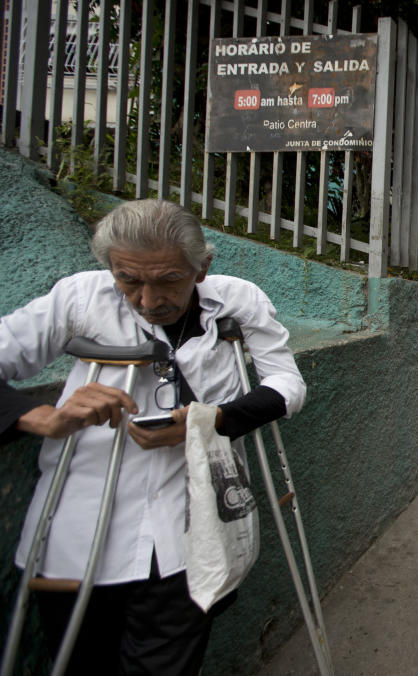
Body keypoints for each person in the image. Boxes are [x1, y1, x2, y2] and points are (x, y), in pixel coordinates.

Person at [0, 199, 306, 674]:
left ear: (201, 267)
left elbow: (287, 387)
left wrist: (214, 419)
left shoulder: (239, 300)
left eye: (167, 280)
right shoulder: (79, 298)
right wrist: (37, 417)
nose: (147, 300)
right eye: (129, 280)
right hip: (78, 540)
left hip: (187, 539)